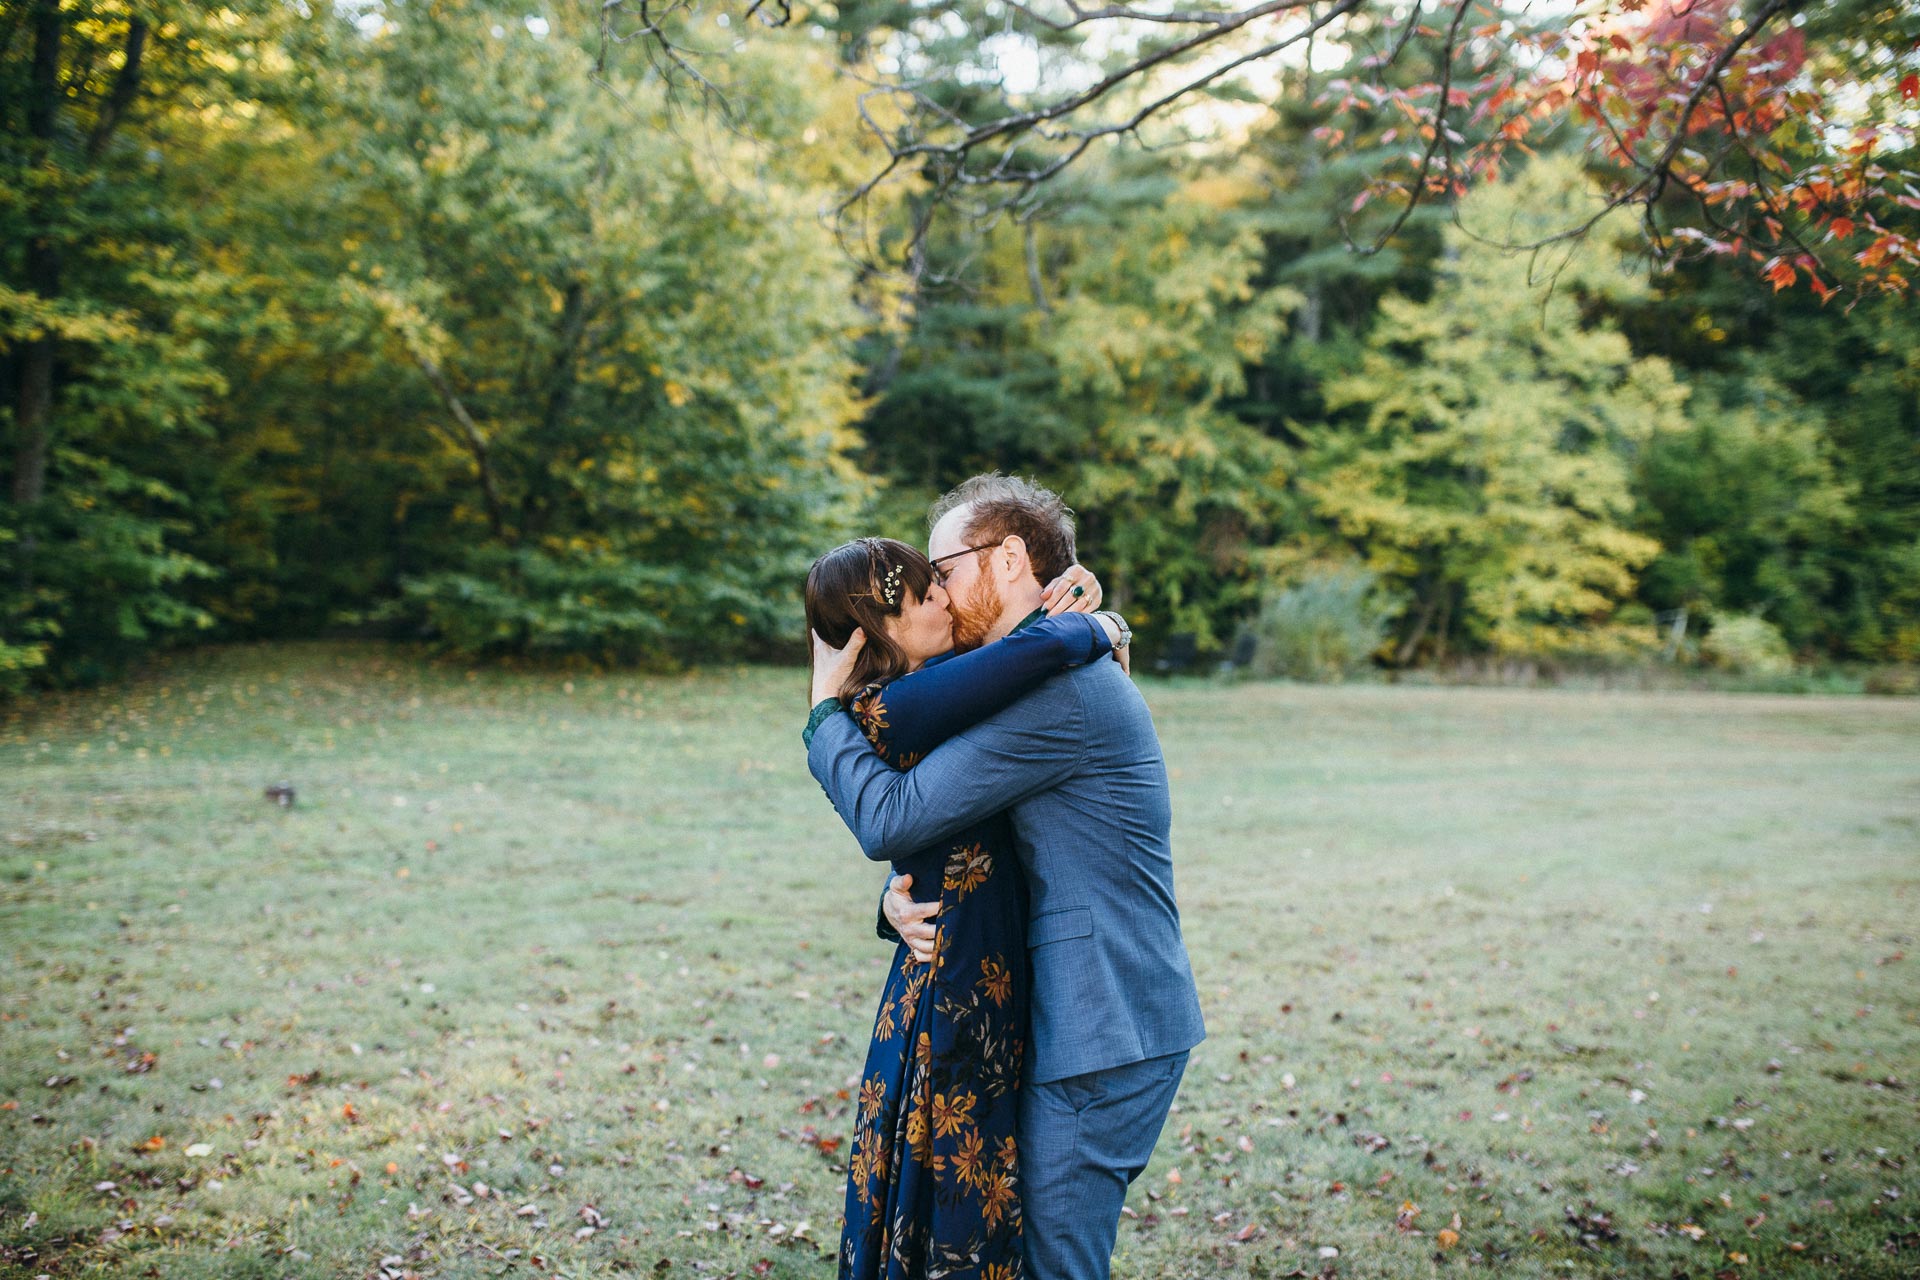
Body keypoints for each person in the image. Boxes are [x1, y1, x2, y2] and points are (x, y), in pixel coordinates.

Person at [806, 474, 1206, 1280]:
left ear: (1010, 558)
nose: (940, 595)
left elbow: (893, 817)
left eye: (945, 570)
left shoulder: (1055, 693)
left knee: (1057, 1264)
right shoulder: (1031, 677)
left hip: (1103, 1022)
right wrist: (900, 904)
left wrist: (822, 711)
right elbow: (974, 835)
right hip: (1085, 1014)